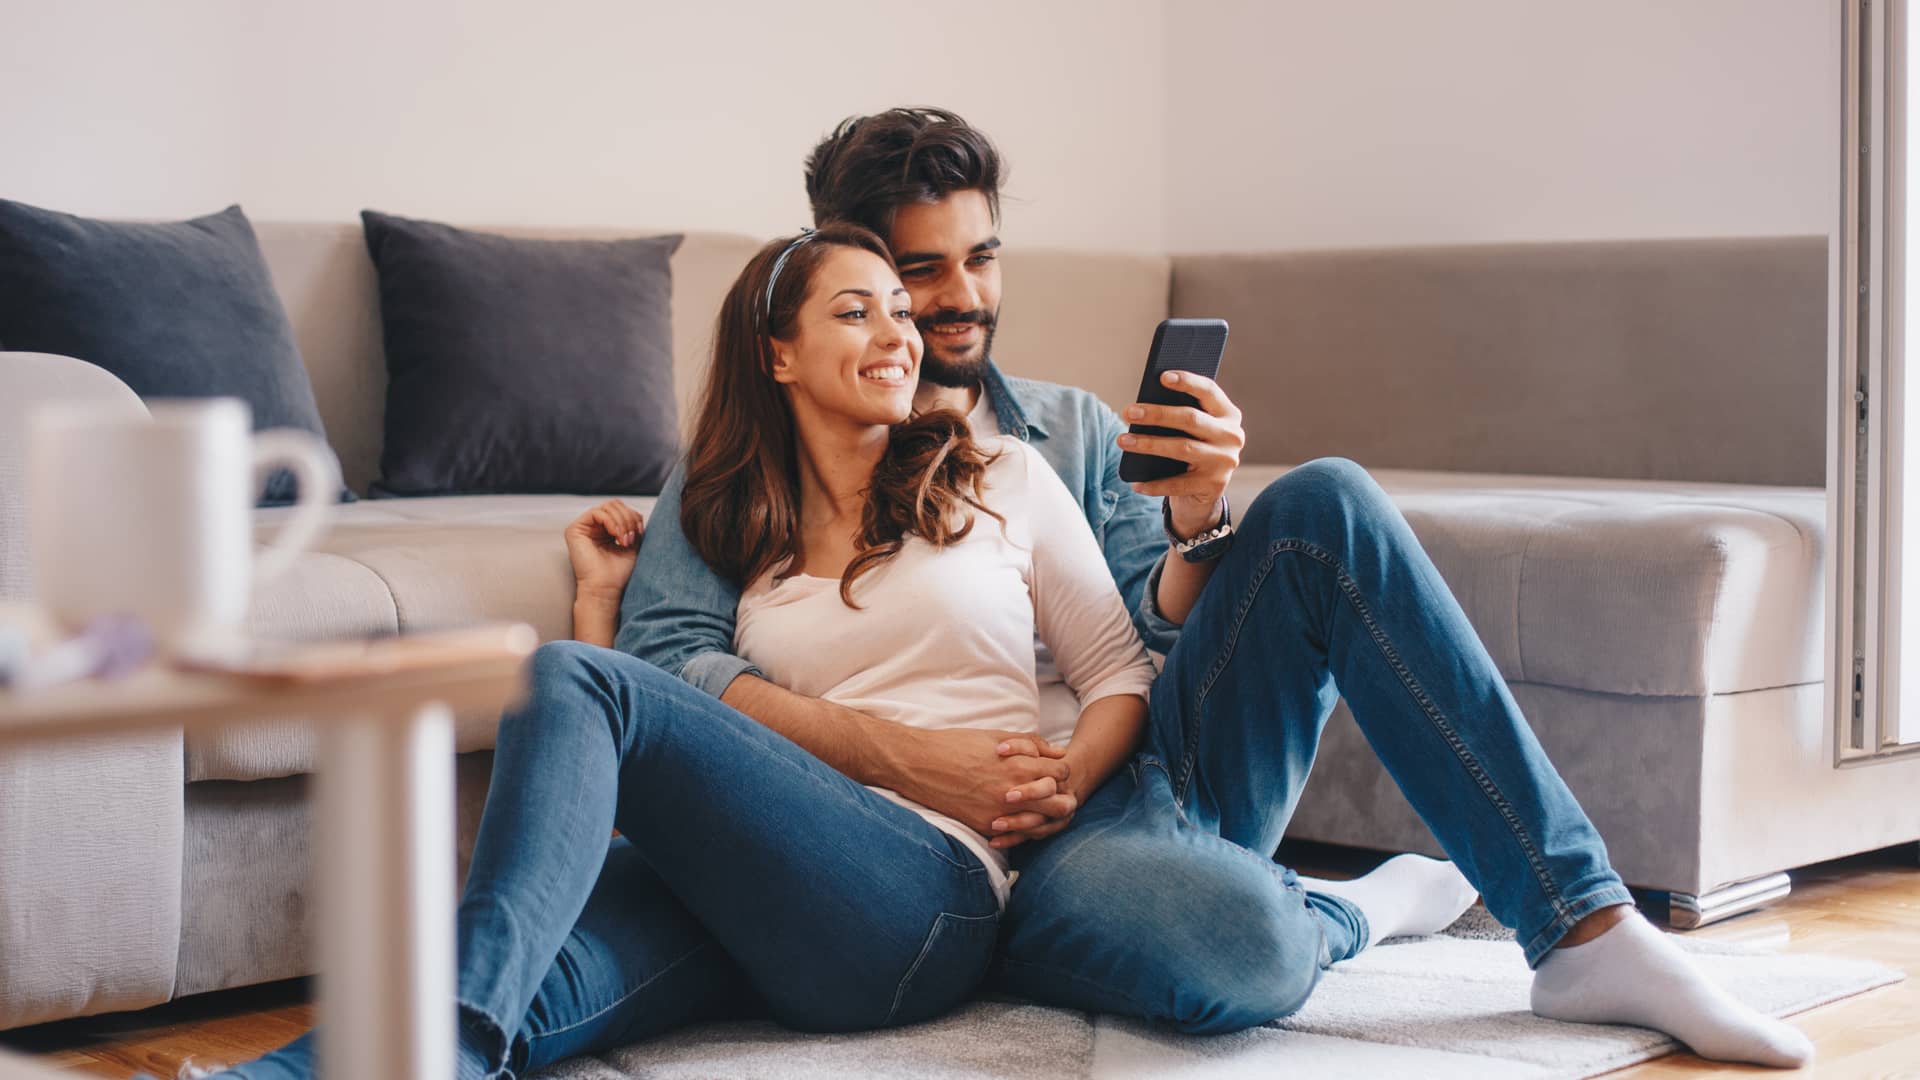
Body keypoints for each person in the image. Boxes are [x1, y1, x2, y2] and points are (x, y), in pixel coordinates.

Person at [620, 108, 1814, 1068]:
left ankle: (1586, 927)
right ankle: (1340, 912)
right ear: (843, 267)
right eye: (919, 270)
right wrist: (908, 762)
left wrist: (1198, 521)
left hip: (1130, 782)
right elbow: (664, 660)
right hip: (927, 852)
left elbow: (1142, 639)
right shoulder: (750, 458)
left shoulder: (1072, 436)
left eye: (981, 258)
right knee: (1239, 959)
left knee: (1326, 501)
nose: (961, 297)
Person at [208, 223, 1188, 1080]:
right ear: (779, 357)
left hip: (922, 900)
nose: (898, 335)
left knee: (564, 679)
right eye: (857, 314)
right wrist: (601, 596)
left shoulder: (1001, 477)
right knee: (521, 984)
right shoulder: (742, 542)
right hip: (769, 893)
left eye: (900, 311)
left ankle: (451, 1047)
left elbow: (1116, 671)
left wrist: (1060, 776)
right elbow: (668, 744)